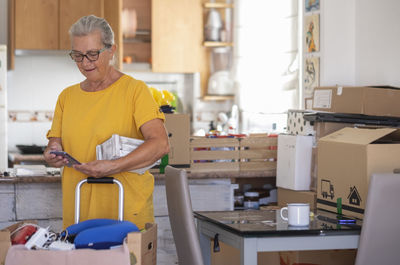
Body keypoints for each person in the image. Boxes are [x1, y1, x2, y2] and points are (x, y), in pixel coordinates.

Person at [43, 15, 170, 229]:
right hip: (78, 212)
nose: (85, 63)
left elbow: (160, 144)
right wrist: (53, 152)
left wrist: (113, 166)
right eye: (78, 55)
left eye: (93, 54)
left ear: (111, 50)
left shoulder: (134, 91)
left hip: (126, 213)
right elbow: (55, 143)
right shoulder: (67, 97)